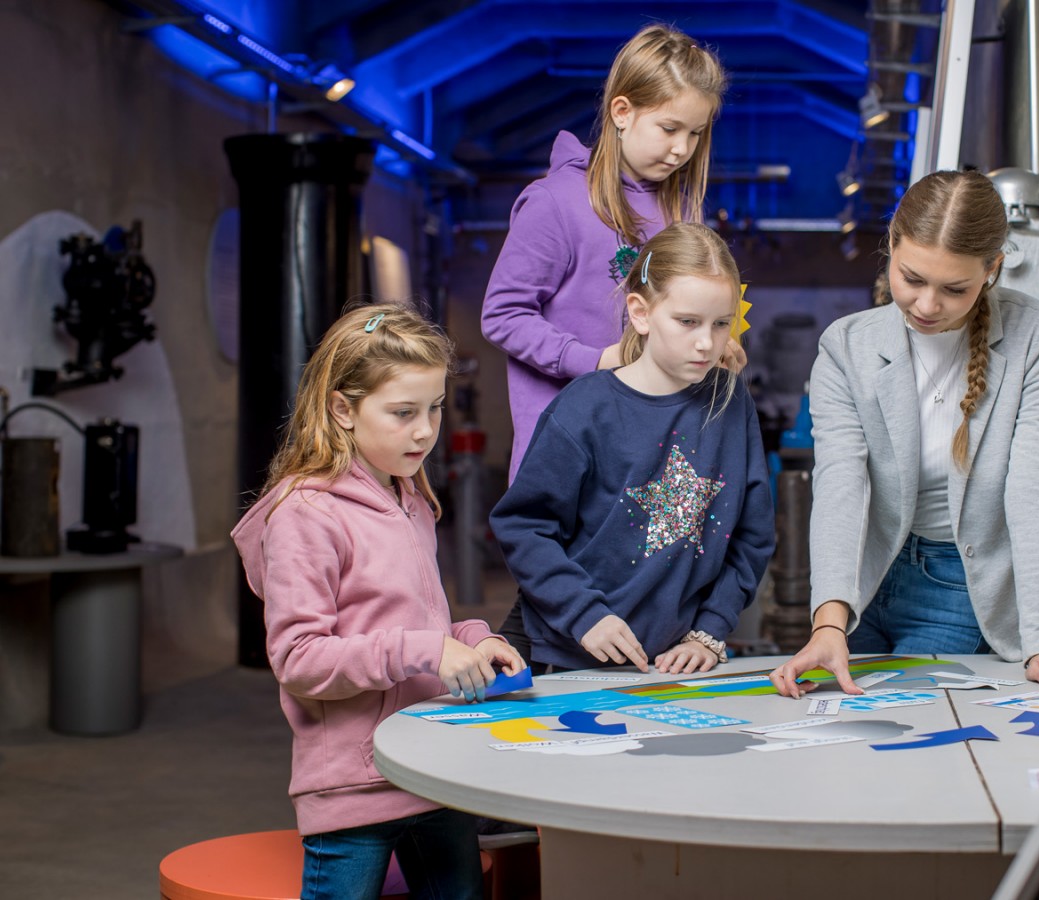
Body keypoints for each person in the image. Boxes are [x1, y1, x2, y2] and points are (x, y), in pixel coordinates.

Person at [231, 303, 524, 900]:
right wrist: (423, 652)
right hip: (353, 789)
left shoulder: (408, 494)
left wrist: (473, 640)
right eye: (403, 412)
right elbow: (299, 659)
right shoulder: (305, 516)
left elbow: (420, 619)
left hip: (433, 769)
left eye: (435, 408)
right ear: (342, 409)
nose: (425, 430)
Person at [768, 170, 1039, 699]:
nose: (926, 305)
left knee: (920, 742)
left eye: (954, 289)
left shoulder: (1037, 333)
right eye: (912, 278)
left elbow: (1034, 486)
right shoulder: (845, 347)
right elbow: (840, 487)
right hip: (863, 579)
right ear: (892, 244)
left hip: (959, 586)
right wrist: (828, 621)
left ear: (992, 269)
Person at [481, 23, 744, 663]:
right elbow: (502, 314)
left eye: (696, 133)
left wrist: (724, 337)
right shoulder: (556, 204)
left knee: (639, 634)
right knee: (567, 626)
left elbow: (695, 306)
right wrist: (593, 361)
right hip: (574, 462)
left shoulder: (680, 210)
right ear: (622, 112)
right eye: (669, 128)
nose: (682, 148)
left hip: (656, 457)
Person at [490, 223, 774, 675]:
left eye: (721, 324)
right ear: (641, 313)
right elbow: (525, 527)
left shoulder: (730, 400)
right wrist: (585, 616)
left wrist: (711, 628)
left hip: (671, 663)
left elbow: (752, 535)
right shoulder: (584, 408)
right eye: (687, 322)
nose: (706, 342)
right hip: (566, 653)